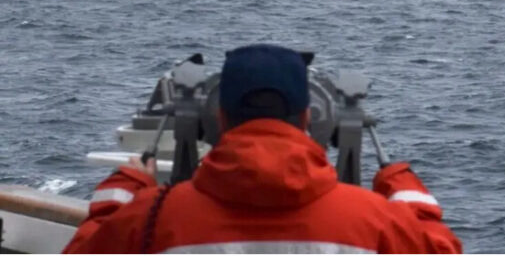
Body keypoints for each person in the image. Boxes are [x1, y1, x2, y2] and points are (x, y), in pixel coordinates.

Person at [63, 44, 462, 253]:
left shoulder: (150, 220)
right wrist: (406, 194)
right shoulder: (375, 223)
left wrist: (121, 192)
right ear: (308, 118)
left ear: (218, 118)